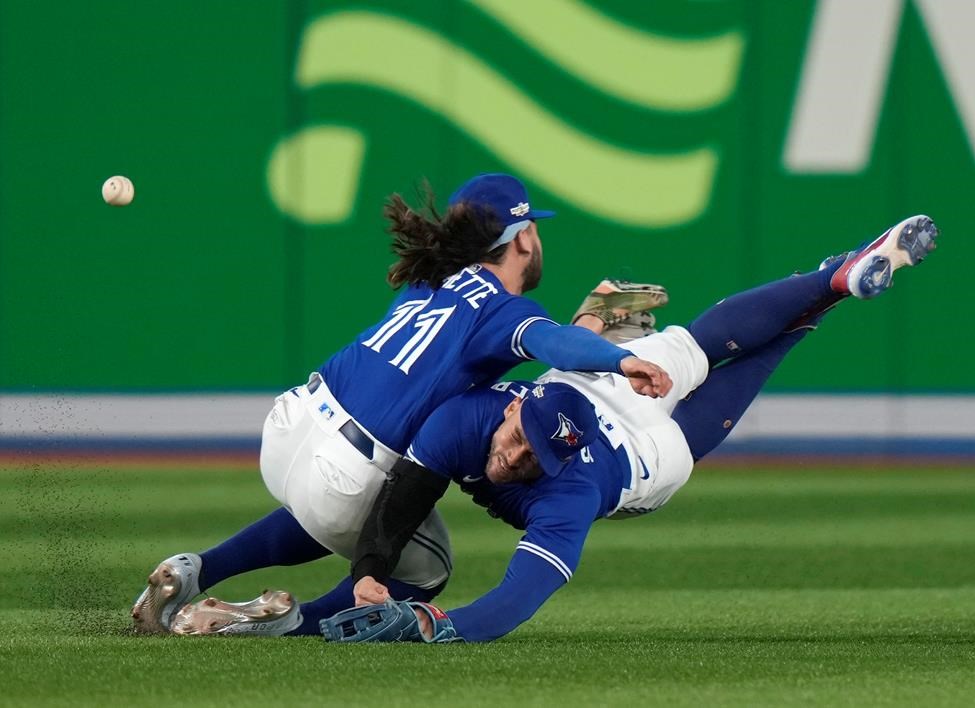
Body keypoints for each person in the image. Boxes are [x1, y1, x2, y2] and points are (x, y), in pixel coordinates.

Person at [173, 214, 939, 641]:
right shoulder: (479, 418)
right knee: (704, 344)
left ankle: (829, 286)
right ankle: (829, 281)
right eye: (516, 440)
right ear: (513, 404)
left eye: (527, 461)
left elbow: (516, 597)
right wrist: (374, 568)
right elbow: (401, 496)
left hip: (647, 450)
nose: (510, 462)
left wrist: (439, 624)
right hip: (596, 377)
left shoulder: (571, 488)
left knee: (743, 359)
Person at [130, 173, 672, 635]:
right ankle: (290, 622)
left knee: (340, 509)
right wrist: (618, 359)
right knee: (425, 567)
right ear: (524, 237)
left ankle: (197, 569)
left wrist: (593, 321)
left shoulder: (425, 287)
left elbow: (554, 342)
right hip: (346, 468)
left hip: (291, 426)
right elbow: (552, 344)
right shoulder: (501, 311)